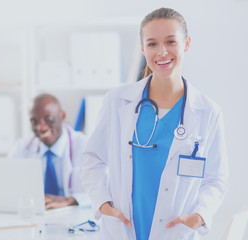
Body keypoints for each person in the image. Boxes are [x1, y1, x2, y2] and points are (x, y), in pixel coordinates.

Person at [81, 7, 228, 240]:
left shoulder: (207, 111)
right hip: (123, 227)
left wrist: (200, 215)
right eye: (152, 44)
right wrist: (102, 203)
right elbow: (92, 159)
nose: (162, 52)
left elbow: (215, 179)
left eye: (171, 41)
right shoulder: (118, 101)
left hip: (176, 231)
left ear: (186, 43)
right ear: (142, 48)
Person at [8, 93, 89, 209]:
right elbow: (7, 187)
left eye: (49, 119)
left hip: (74, 218)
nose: (41, 127)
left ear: (62, 116)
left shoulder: (84, 146)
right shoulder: (22, 148)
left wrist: (71, 200)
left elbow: (104, 193)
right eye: (34, 122)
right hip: (35, 217)